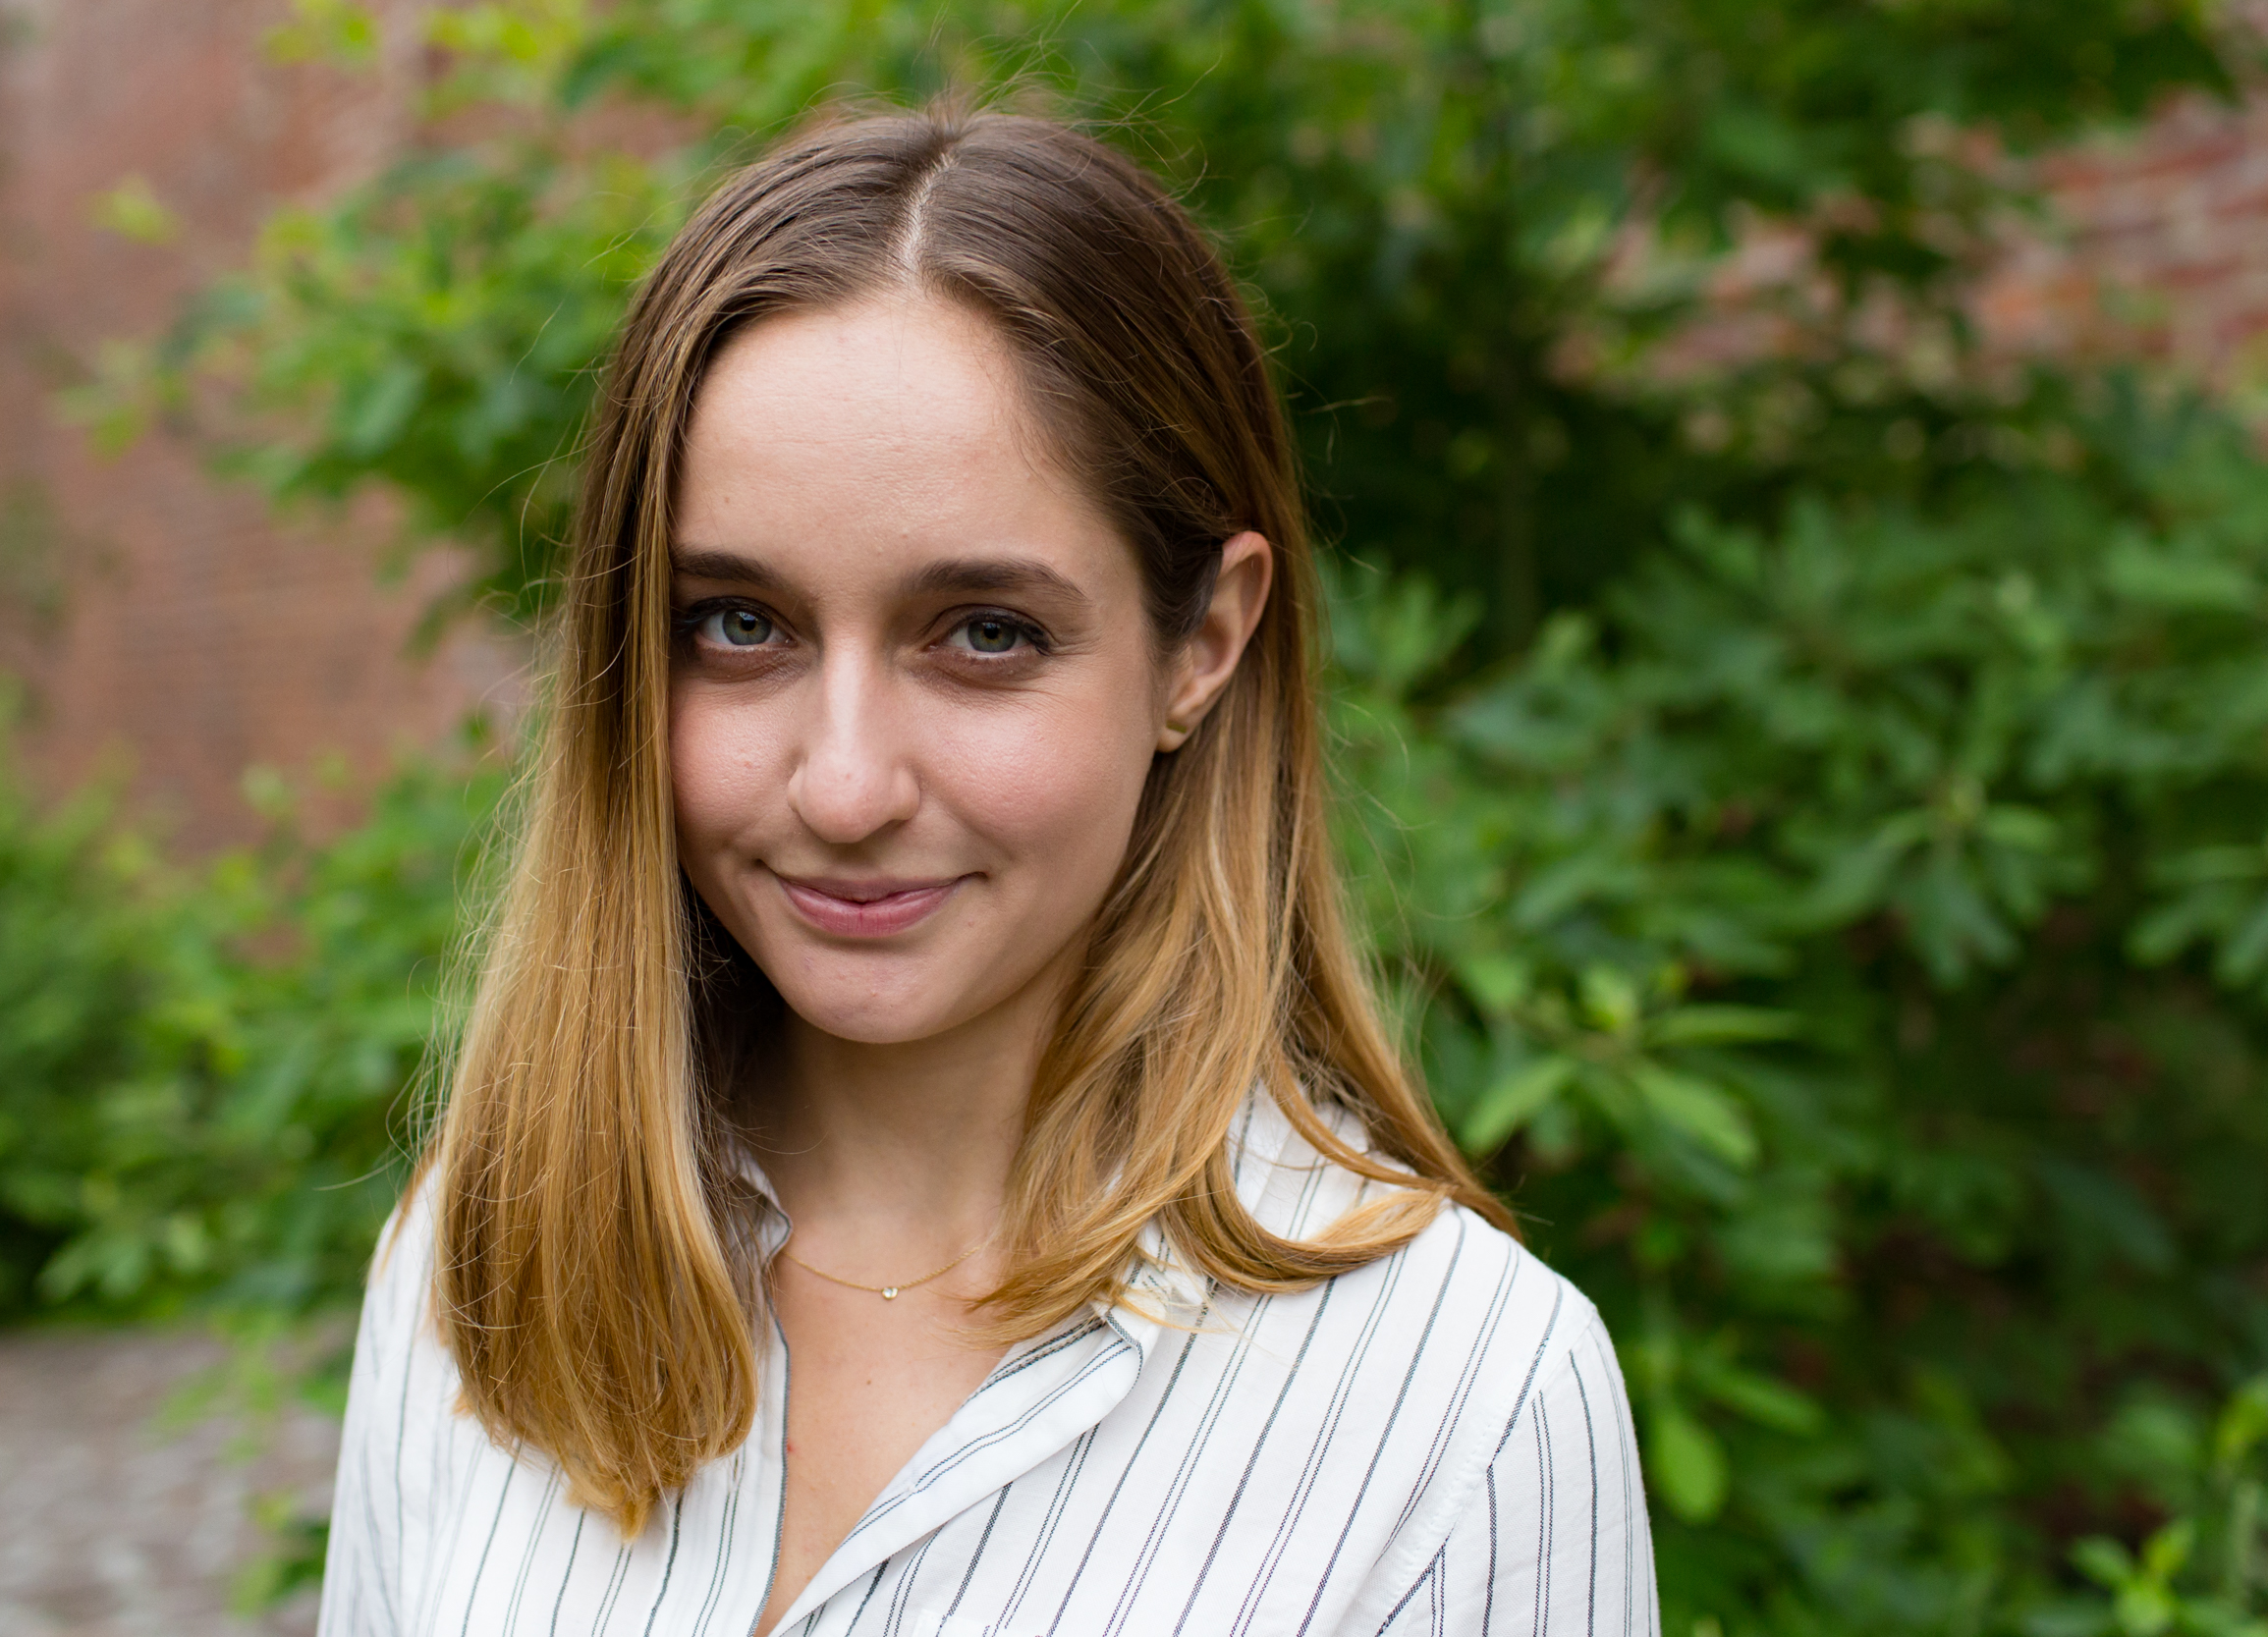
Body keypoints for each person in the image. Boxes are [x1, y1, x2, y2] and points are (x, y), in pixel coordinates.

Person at [318, 106, 1656, 1637]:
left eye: (984, 634)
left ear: (1202, 644)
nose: (844, 785)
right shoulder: (479, 1262)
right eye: (738, 625)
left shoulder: (1462, 1400)